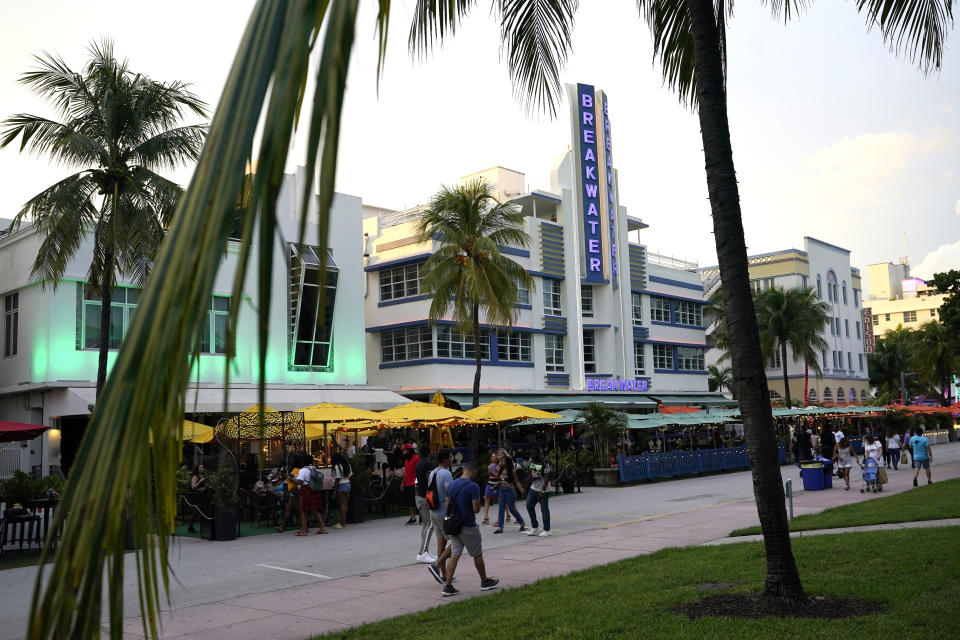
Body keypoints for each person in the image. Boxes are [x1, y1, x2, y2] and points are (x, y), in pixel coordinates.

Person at [438, 461, 500, 597]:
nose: (476, 474)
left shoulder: (453, 484)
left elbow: (448, 503)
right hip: (468, 526)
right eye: (476, 472)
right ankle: (484, 581)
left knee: (454, 555)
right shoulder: (473, 487)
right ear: (472, 471)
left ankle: (448, 586)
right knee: (477, 554)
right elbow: (476, 509)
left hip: (455, 526)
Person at [427, 449, 454, 584]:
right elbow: (449, 494)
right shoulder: (446, 474)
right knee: (456, 541)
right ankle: (436, 566)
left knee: (440, 543)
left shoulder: (433, 472)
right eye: (450, 457)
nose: (452, 459)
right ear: (445, 460)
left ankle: (443, 575)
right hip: (444, 511)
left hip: (433, 511)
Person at [493, 449, 526, 534]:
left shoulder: (512, 471)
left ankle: (522, 522)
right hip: (502, 490)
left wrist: (522, 491)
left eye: (503, 461)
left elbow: (517, 482)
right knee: (501, 509)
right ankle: (500, 528)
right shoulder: (501, 469)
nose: (501, 462)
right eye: (501, 460)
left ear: (507, 461)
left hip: (510, 491)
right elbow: (502, 480)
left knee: (512, 509)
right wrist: (496, 485)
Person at [295, 454, 328, 536]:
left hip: (305, 490)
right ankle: (323, 527)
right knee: (315, 509)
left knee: (303, 510)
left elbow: (300, 482)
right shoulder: (313, 468)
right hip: (314, 489)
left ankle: (303, 531)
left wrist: (293, 480)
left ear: (302, 461)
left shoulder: (302, 470)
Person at [414, 450, 437, 562]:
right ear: (429, 453)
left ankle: (425, 550)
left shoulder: (418, 464)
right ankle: (422, 552)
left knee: (426, 524)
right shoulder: (429, 464)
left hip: (419, 496)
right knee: (430, 525)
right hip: (425, 496)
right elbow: (430, 479)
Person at [524, 448, 552, 537]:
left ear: (538, 453)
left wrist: (542, 491)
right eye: (531, 454)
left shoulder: (545, 462)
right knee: (529, 505)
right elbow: (530, 476)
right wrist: (526, 488)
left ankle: (547, 530)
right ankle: (535, 527)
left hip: (544, 488)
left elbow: (547, 478)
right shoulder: (532, 462)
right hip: (534, 488)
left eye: (534, 453)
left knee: (544, 509)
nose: (532, 455)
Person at [330, 444, 352, 530]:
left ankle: (343, 523)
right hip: (348, 484)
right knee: (345, 504)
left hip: (341, 486)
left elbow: (337, 479)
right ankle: (343, 521)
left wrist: (334, 489)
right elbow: (350, 476)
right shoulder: (347, 465)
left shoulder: (337, 466)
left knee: (341, 505)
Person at [401, 444, 420, 525]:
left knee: (417, 501)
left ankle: (422, 517)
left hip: (414, 482)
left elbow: (419, 470)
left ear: (408, 450)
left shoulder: (416, 458)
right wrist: (402, 483)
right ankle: (413, 517)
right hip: (407, 483)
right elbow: (406, 472)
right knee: (409, 502)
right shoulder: (406, 460)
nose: (403, 452)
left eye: (404, 451)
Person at [482, 452, 499, 525]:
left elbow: (498, 476)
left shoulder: (499, 466)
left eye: (494, 457)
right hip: (489, 484)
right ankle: (486, 517)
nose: (492, 458)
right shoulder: (490, 465)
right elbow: (490, 475)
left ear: (497, 458)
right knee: (486, 499)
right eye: (491, 457)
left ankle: (500, 518)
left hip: (497, 485)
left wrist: (491, 470)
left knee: (501, 501)